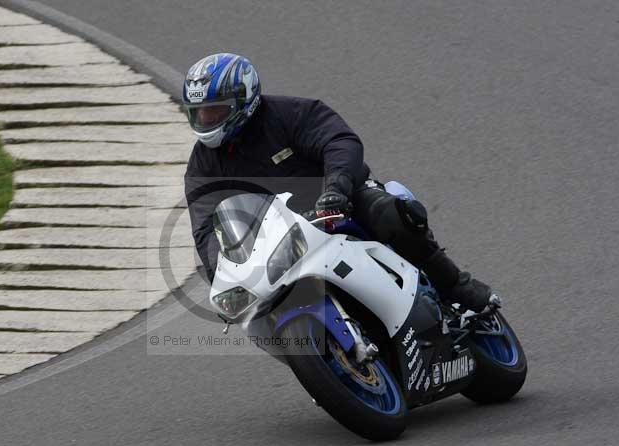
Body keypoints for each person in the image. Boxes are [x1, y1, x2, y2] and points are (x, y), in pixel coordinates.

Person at [183, 53, 493, 312]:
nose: (207, 120)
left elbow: (339, 142)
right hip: (280, 242)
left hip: (339, 202)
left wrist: (336, 189)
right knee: (258, 312)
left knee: (391, 214)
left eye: (216, 110)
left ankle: (455, 285)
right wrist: (223, 276)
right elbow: (206, 227)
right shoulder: (202, 166)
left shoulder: (290, 113)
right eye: (200, 113)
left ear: (244, 99)